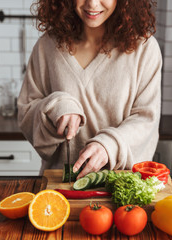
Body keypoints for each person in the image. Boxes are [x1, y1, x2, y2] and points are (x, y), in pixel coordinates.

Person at [17, 0, 162, 179]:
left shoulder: (144, 48)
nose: (92, 4)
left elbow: (146, 120)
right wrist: (56, 107)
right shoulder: (47, 46)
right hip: (58, 185)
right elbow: (26, 112)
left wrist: (109, 146)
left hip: (119, 187)